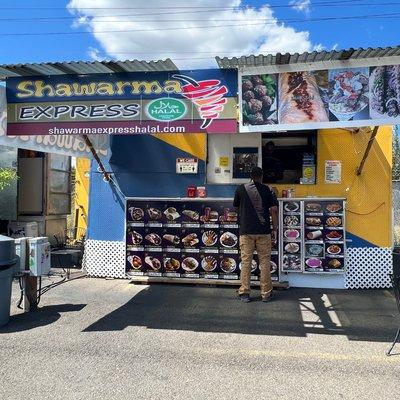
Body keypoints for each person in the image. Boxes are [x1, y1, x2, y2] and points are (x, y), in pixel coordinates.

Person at [233, 166, 278, 303]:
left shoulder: (241, 188)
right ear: (262, 176)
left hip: (246, 231)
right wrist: (274, 228)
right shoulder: (268, 189)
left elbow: (236, 206)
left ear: (250, 177)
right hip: (263, 231)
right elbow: (274, 210)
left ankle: (245, 293)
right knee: (264, 262)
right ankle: (265, 294)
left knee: (246, 262)